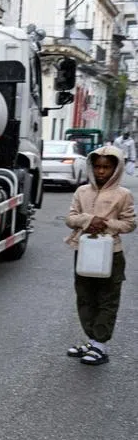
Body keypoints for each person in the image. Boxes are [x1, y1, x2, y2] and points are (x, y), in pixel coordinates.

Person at [64, 146, 135, 365]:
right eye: (97, 167)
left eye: (106, 167)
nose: (101, 171)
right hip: (85, 252)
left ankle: (100, 345)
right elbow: (70, 218)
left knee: (107, 298)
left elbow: (130, 223)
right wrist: (88, 220)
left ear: (116, 169)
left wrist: (104, 224)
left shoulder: (123, 195)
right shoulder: (82, 192)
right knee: (85, 296)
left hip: (111, 254)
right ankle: (92, 340)